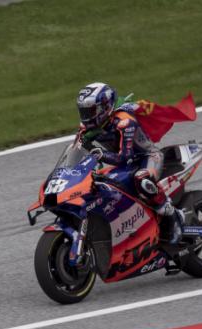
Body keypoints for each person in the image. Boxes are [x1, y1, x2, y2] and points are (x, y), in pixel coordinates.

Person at [76, 82, 184, 243]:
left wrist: (100, 154)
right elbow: (77, 150)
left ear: (105, 107)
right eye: (83, 111)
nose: (86, 116)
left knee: (142, 179)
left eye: (91, 111)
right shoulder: (87, 128)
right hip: (124, 164)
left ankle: (174, 217)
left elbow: (125, 156)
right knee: (98, 183)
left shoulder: (124, 121)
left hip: (147, 157)